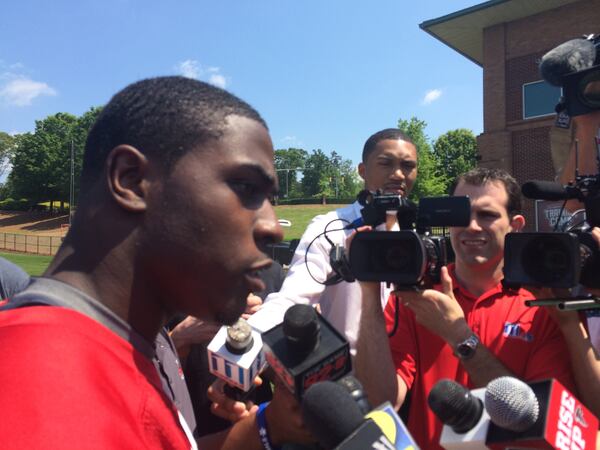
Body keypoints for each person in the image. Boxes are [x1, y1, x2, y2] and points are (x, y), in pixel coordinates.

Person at [0, 76, 310, 449]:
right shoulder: (37, 392)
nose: (274, 227)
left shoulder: (119, 349)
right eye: (245, 187)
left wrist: (268, 425)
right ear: (131, 180)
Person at [354, 167, 576, 449]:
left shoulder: (543, 306)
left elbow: (542, 427)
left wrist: (459, 336)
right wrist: (370, 293)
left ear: (516, 225)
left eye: (487, 215)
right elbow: (379, 403)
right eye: (461, 214)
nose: (471, 225)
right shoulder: (418, 299)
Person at [248, 128, 418, 351]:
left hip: (409, 376)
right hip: (351, 376)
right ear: (363, 170)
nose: (398, 174)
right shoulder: (329, 229)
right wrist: (244, 345)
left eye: (408, 166)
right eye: (386, 163)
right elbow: (293, 299)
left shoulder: (417, 236)